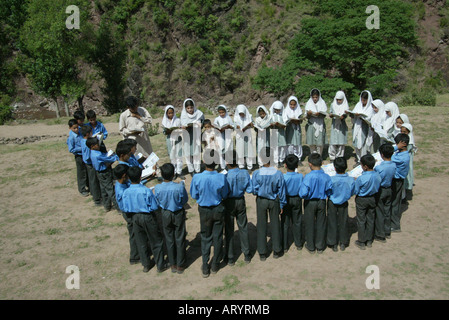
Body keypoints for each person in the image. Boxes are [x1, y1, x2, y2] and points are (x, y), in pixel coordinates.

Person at [190, 149, 230, 278]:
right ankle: (215, 264)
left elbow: (194, 194)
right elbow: (225, 194)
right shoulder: (221, 177)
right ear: (217, 163)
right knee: (218, 237)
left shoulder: (197, 177)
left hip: (204, 210)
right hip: (218, 208)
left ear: (203, 162)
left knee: (206, 237)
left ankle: (205, 265)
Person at [122, 166, 168, 273]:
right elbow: (154, 206)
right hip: (147, 216)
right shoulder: (146, 191)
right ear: (140, 177)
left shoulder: (126, 192)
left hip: (134, 217)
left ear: (128, 177)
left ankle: (146, 264)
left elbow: (125, 208)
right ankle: (160, 265)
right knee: (155, 240)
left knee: (141, 241)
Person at [251, 147, 287, 261]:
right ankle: (277, 250)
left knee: (261, 225)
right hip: (274, 200)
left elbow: (254, 189)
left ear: (261, 158)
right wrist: (282, 204)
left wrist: (259, 192)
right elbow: (282, 190)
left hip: (261, 200)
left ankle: (262, 252)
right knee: (275, 223)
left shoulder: (256, 173)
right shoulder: (278, 173)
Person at [154, 163, 189, 274]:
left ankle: (172, 263)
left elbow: (157, 201)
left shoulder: (158, 188)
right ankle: (180, 264)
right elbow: (185, 200)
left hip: (165, 213)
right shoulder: (179, 186)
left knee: (169, 238)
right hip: (178, 212)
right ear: (174, 174)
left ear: (162, 175)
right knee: (180, 237)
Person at [223, 150, 253, 266]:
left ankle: (230, 257)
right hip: (240, 200)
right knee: (243, 227)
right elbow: (249, 189)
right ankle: (246, 254)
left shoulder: (225, 176)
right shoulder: (244, 173)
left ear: (227, 162)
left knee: (229, 229)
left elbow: (224, 193)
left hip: (229, 202)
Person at [299, 153, 333, 254]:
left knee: (309, 224)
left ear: (310, 164)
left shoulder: (308, 177)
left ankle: (310, 246)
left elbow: (303, 193)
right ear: (321, 163)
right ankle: (320, 246)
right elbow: (329, 191)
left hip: (310, 202)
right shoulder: (326, 177)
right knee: (321, 223)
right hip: (322, 201)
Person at [113, 164, 140, 265]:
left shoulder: (122, 184)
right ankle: (134, 256)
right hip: (129, 213)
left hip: (130, 211)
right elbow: (126, 205)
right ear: (124, 175)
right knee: (133, 233)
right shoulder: (121, 190)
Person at [327, 157, 355, 252]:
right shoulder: (350, 180)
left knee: (332, 221)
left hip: (332, 202)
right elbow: (352, 191)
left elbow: (327, 191)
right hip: (344, 202)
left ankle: (333, 243)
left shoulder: (331, 179)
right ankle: (343, 242)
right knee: (343, 221)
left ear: (334, 168)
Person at [354, 154, 381, 250]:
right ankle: (369, 240)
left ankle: (361, 241)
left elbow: (356, 191)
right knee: (370, 218)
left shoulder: (361, 178)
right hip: (372, 198)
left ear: (365, 166)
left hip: (362, 199)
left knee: (361, 220)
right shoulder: (377, 175)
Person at [87, 137, 119, 212]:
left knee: (104, 190)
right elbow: (109, 159)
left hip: (100, 173)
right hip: (105, 172)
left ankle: (107, 206)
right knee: (111, 190)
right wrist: (115, 156)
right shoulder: (97, 155)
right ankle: (119, 208)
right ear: (92, 146)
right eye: (97, 144)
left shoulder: (94, 153)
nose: (98, 145)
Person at [374, 144, 396, 242]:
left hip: (381, 190)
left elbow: (377, 178)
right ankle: (387, 231)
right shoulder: (393, 165)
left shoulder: (380, 168)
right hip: (389, 189)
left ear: (382, 155)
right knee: (387, 211)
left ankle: (380, 234)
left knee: (379, 212)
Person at [281, 154, 304, 252]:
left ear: (285, 165)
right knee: (297, 221)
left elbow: (281, 191)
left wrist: (281, 204)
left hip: (286, 199)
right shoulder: (300, 176)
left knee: (285, 223)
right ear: (297, 166)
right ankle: (298, 243)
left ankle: (285, 245)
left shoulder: (283, 177)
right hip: (297, 199)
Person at [390, 133, 410, 233]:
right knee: (394, 201)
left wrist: (395, 147)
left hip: (397, 181)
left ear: (402, 143)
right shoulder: (402, 154)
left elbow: (387, 154)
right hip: (397, 180)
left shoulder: (402, 157)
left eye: (397, 143)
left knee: (394, 202)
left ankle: (395, 225)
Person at [348, 90, 374, 167]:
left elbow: (370, 119)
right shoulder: (358, 105)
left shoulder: (370, 107)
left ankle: (363, 160)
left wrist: (362, 117)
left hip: (364, 128)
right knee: (356, 144)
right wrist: (352, 115)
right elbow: (353, 114)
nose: (363, 102)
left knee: (363, 144)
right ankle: (359, 159)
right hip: (356, 126)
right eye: (362, 99)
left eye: (365, 100)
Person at [180, 98, 204, 176]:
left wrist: (199, 124)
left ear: (194, 106)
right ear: (185, 108)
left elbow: (203, 122)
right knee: (188, 154)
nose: (190, 110)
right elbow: (182, 124)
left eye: (191, 107)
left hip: (196, 136)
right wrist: (184, 127)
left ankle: (197, 170)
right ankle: (191, 170)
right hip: (187, 136)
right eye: (188, 108)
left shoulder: (199, 113)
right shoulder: (183, 115)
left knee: (196, 153)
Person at [80, 124, 102, 206]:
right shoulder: (86, 144)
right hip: (90, 164)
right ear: (88, 134)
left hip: (88, 163)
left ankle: (94, 194)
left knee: (92, 180)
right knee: (94, 181)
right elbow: (87, 156)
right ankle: (96, 199)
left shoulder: (82, 141)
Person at [67, 118, 89, 197]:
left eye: (77, 127)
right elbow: (71, 149)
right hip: (79, 156)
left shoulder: (80, 131)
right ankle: (82, 189)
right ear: (70, 128)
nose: (76, 129)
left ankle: (88, 185)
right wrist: (82, 148)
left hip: (85, 154)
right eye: (74, 128)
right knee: (81, 173)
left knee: (87, 170)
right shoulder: (71, 137)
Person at [161, 105, 184, 179]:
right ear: (166, 113)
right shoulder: (164, 121)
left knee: (179, 156)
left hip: (178, 139)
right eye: (169, 113)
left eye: (172, 113)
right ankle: (173, 172)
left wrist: (179, 129)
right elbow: (164, 132)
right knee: (173, 157)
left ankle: (179, 172)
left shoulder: (178, 120)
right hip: (169, 140)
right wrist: (168, 131)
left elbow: (181, 129)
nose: (171, 114)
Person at [305, 89, 328, 157]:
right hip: (311, 124)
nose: (315, 99)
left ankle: (319, 156)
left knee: (319, 142)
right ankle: (313, 155)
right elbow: (307, 117)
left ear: (319, 96)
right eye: (313, 97)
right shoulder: (308, 103)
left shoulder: (322, 103)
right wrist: (309, 114)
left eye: (316, 97)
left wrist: (319, 114)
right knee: (312, 142)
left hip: (320, 124)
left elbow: (324, 114)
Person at [328, 91, 349, 162]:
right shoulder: (333, 104)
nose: (339, 101)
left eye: (340, 100)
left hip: (342, 125)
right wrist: (331, 115)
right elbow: (330, 112)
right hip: (334, 124)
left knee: (341, 141)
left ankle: (340, 156)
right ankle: (332, 157)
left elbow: (346, 114)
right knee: (333, 141)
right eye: (337, 100)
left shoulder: (345, 105)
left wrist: (343, 116)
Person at [283, 96, 303, 165]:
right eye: (291, 104)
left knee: (297, 144)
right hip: (290, 128)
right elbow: (285, 119)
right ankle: (290, 157)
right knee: (290, 143)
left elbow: (301, 119)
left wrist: (298, 121)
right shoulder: (286, 110)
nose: (292, 106)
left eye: (294, 104)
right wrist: (290, 121)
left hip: (297, 129)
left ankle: (298, 158)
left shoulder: (299, 110)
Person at [233, 104, 254, 170]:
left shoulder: (249, 116)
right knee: (240, 151)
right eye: (240, 114)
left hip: (247, 136)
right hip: (240, 136)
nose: (241, 115)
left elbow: (253, 124)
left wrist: (250, 125)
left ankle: (249, 166)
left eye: (243, 113)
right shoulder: (236, 118)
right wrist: (237, 126)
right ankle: (241, 166)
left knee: (248, 151)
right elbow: (234, 126)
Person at [213, 105, 234, 171]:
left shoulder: (228, 118)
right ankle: (222, 166)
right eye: (220, 113)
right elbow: (214, 127)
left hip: (227, 136)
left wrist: (229, 127)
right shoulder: (217, 119)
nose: (221, 114)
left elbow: (233, 127)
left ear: (225, 112)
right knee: (221, 152)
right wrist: (218, 129)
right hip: (220, 137)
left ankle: (228, 166)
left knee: (228, 151)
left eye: (223, 112)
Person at [401, 123, 416, 200]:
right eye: (401, 132)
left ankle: (404, 196)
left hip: (406, 162)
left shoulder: (409, 141)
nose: (402, 134)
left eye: (404, 132)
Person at [270, 101, 288, 166]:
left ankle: (281, 160)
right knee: (275, 148)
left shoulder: (283, 116)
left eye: (279, 110)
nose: (277, 111)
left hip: (281, 133)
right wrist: (272, 124)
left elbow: (285, 124)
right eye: (276, 110)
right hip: (275, 133)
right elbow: (270, 124)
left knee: (282, 147)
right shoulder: (272, 116)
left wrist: (280, 124)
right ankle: (276, 160)